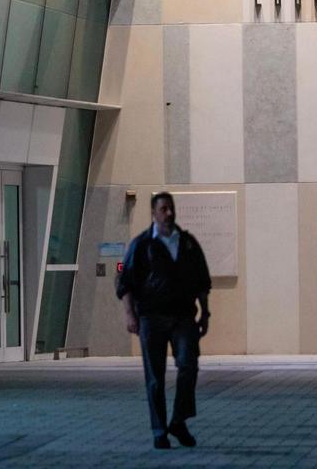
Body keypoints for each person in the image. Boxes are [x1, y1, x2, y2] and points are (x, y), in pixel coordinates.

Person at [116, 191, 212, 450]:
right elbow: (124, 283)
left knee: (188, 366)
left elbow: (202, 281)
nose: (169, 213)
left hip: (183, 317)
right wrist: (130, 315)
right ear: (153, 213)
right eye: (164, 209)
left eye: (171, 208)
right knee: (155, 377)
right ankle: (160, 431)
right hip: (152, 318)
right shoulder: (142, 244)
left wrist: (205, 311)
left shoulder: (187, 243)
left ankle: (179, 420)